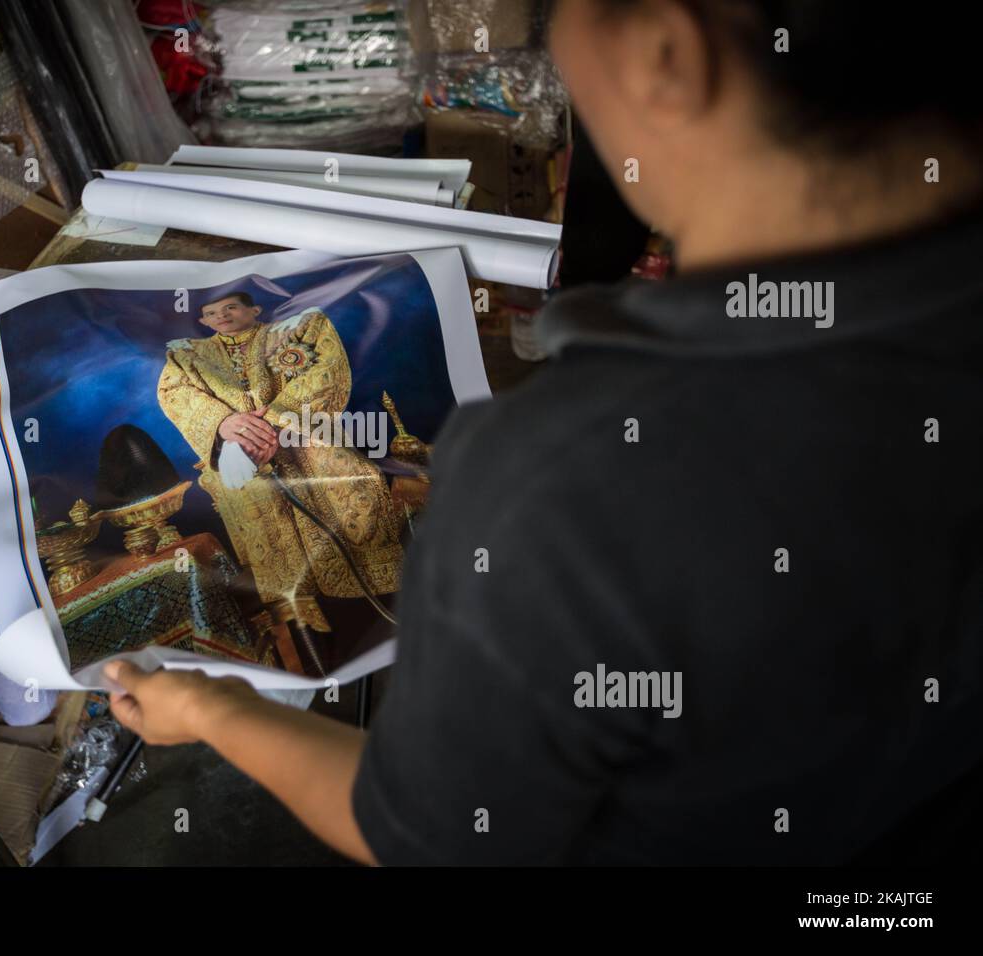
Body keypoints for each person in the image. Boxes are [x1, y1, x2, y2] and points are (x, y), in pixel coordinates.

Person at [110, 0, 983, 864]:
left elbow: (431, 839)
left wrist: (213, 711)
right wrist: (229, 419)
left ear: (665, 50)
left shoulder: (563, 481)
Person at [157, 291, 401, 671]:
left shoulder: (301, 328)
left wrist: (273, 423)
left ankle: (390, 630)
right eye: (211, 312)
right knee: (280, 571)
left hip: (308, 442)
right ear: (203, 321)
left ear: (254, 309)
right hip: (242, 464)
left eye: (230, 308)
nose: (221, 316)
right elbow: (175, 394)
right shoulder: (186, 355)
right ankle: (317, 663)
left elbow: (325, 372)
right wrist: (225, 426)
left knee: (355, 504)